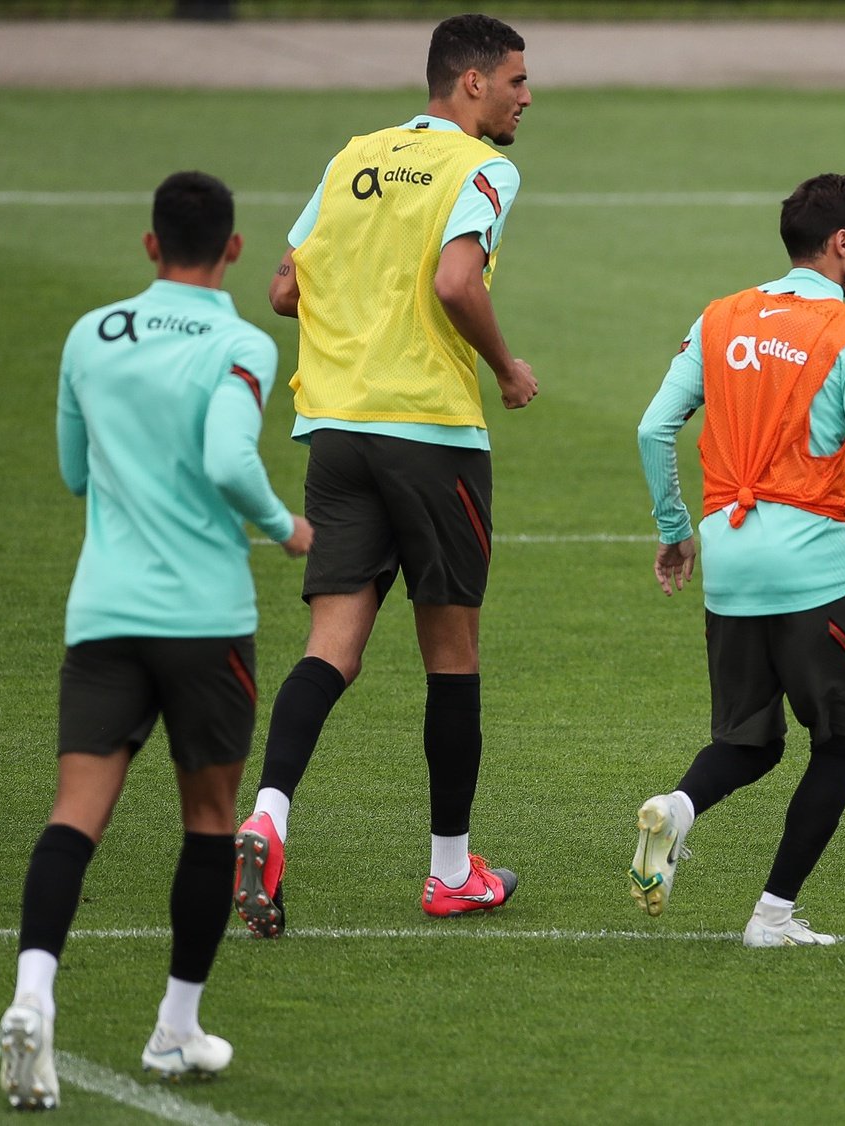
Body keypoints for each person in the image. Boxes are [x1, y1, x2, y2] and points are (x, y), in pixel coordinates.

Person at [0, 172, 312, 1110]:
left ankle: (31, 995)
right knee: (209, 824)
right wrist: (285, 527)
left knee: (75, 814)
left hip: (104, 612)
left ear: (148, 245)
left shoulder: (91, 334)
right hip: (203, 620)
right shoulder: (240, 342)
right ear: (232, 248)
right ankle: (176, 1028)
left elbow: (70, 470)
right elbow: (225, 458)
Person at [233, 13, 538, 937]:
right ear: (472, 82)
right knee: (451, 655)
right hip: (430, 434)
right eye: (519, 80)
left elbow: (285, 288)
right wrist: (506, 366)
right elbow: (456, 282)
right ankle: (451, 872)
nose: (529, 97)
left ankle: (267, 815)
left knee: (332, 647)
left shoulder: (352, 158)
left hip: (336, 430)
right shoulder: (482, 169)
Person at [631, 173, 845, 947]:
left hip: (727, 561)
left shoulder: (719, 318)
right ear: (840, 243)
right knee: (842, 740)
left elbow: (656, 427)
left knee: (746, 743)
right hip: (810, 572)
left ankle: (678, 811)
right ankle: (772, 916)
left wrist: (675, 529)